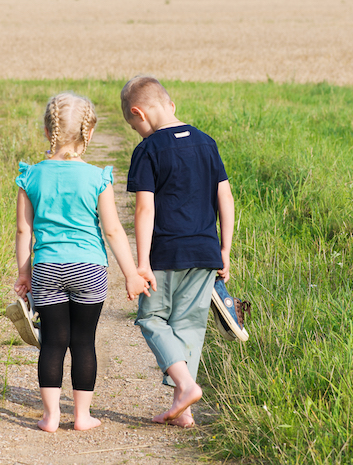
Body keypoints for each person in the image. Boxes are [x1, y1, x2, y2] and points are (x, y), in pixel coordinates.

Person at [12, 92, 151, 433]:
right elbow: (114, 231)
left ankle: (50, 416)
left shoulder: (30, 177)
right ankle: (82, 416)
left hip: (47, 268)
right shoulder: (96, 178)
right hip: (89, 268)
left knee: (54, 341)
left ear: (47, 132)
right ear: (89, 134)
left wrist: (24, 273)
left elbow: (22, 231)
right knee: (84, 341)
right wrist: (131, 274)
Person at [121, 76, 235, 428]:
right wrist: (225, 249)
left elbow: (145, 210)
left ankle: (185, 386)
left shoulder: (148, 150)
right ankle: (183, 410)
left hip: (167, 252)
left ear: (139, 113)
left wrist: (141, 263)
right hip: (205, 250)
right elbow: (225, 198)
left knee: (152, 319)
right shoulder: (206, 143)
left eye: (133, 125)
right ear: (170, 105)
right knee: (189, 325)